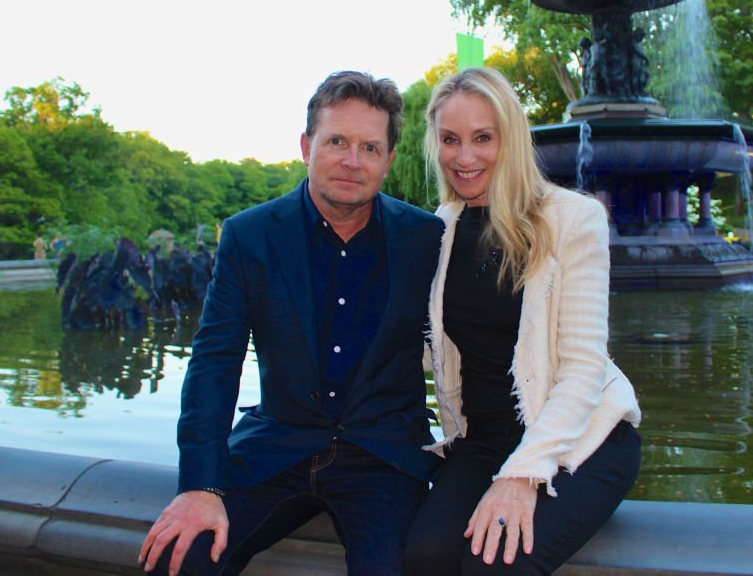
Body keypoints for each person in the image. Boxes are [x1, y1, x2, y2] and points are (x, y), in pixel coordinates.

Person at [139, 71, 444, 576]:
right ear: (306, 146)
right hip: (276, 450)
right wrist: (199, 485)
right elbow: (215, 363)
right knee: (181, 559)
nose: (352, 160)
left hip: (383, 459)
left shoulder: (426, 238)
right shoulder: (249, 236)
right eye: (337, 141)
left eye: (370, 147)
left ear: (389, 161)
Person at [405, 68, 641, 575]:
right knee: (423, 557)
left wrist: (522, 476)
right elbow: (418, 346)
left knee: (494, 566)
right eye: (450, 140)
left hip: (582, 437)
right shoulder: (438, 229)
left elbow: (582, 369)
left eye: (482, 138)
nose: (464, 158)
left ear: (510, 138)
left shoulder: (571, 219)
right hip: (483, 438)